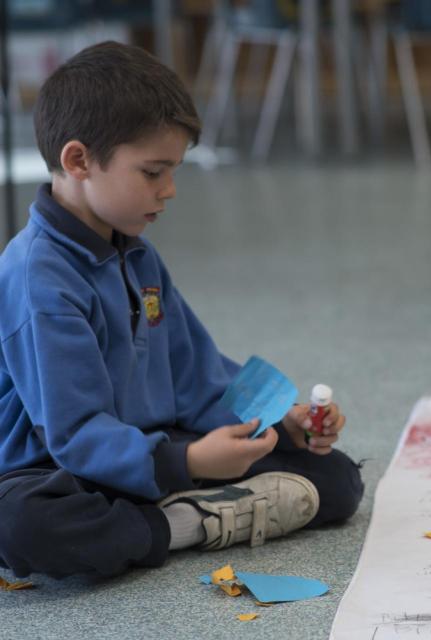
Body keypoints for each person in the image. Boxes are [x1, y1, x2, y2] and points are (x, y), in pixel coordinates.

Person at [0, 41, 364, 578]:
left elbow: (198, 373)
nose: (169, 190)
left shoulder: (136, 253)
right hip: (57, 468)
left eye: (173, 170)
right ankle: (188, 525)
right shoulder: (37, 277)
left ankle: (171, 515)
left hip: (155, 453)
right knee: (27, 526)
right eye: (152, 172)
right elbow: (74, 435)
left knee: (336, 478)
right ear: (78, 161)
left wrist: (281, 424)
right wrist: (187, 464)